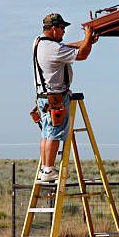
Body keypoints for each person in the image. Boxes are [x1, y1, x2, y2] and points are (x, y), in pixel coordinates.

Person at [33, 13, 98, 181]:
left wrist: (86, 42)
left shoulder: (40, 43)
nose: (64, 31)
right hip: (56, 98)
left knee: (47, 133)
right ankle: (48, 170)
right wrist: (87, 39)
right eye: (62, 28)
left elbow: (66, 47)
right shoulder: (53, 49)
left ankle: (45, 168)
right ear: (53, 28)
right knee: (54, 133)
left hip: (44, 96)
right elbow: (82, 55)